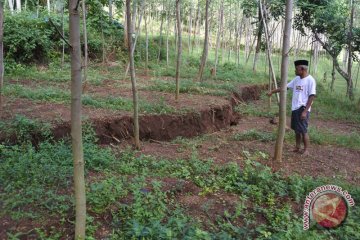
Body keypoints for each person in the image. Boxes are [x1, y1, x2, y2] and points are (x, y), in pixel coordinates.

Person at [267, 60, 316, 155]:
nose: (295, 71)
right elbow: (285, 87)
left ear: (302, 69)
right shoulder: (297, 79)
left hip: (302, 108)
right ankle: (297, 147)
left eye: (296, 69)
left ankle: (306, 150)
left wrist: (305, 111)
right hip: (295, 108)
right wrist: (272, 91)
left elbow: (312, 96)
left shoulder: (310, 80)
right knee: (297, 130)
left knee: (303, 130)